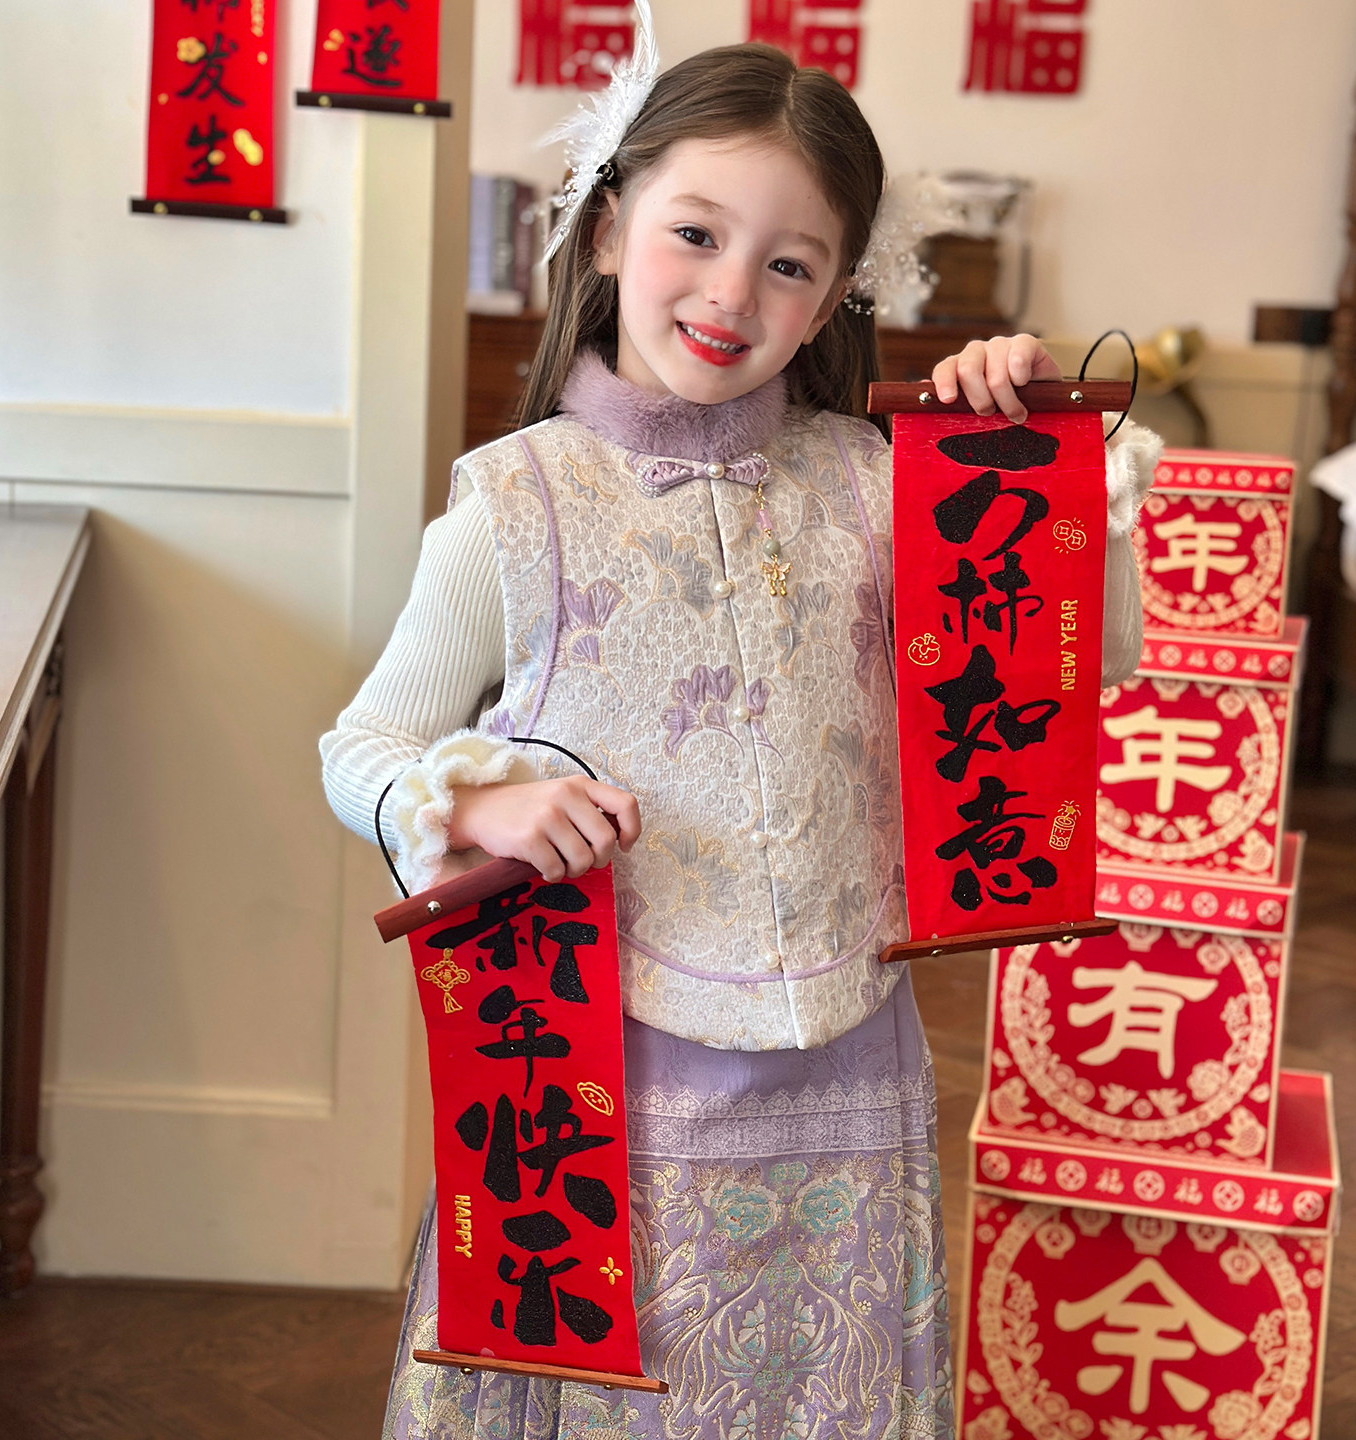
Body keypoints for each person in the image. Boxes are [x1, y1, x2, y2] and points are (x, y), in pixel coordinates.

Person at [321, 31, 1158, 1440]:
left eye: (789, 264)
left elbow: (1095, 664)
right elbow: (363, 747)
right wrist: (474, 802)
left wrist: (1035, 460)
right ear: (606, 230)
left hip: (854, 1054)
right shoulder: (513, 506)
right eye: (696, 235)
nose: (730, 293)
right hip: (597, 1070)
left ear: (837, 295)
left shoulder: (879, 488)